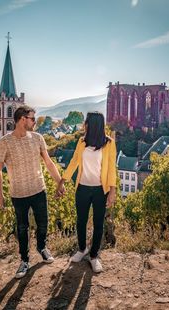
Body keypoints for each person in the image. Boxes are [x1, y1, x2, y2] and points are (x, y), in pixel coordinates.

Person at [0, 105, 65, 279]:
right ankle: (24, 260)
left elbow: (48, 163)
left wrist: (60, 183)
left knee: (43, 223)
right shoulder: (4, 142)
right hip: (18, 193)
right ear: (22, 119)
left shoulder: (38, 138)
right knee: (22, 227)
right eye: (32, 118)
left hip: (39, 189)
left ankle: (42, 247)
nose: (35, 122)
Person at [56, 112, 116, 273]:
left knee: (98, 224)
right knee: (80, 221)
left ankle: (94, 256)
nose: (84, 125)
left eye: (86, 122)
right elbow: (74, 162)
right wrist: (62, 181)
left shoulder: (109, 143)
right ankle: (82, 249)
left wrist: (112, 191)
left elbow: (111, 169)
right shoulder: (82, 141)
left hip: (99, 190)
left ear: (93, 125)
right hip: (82, 188)